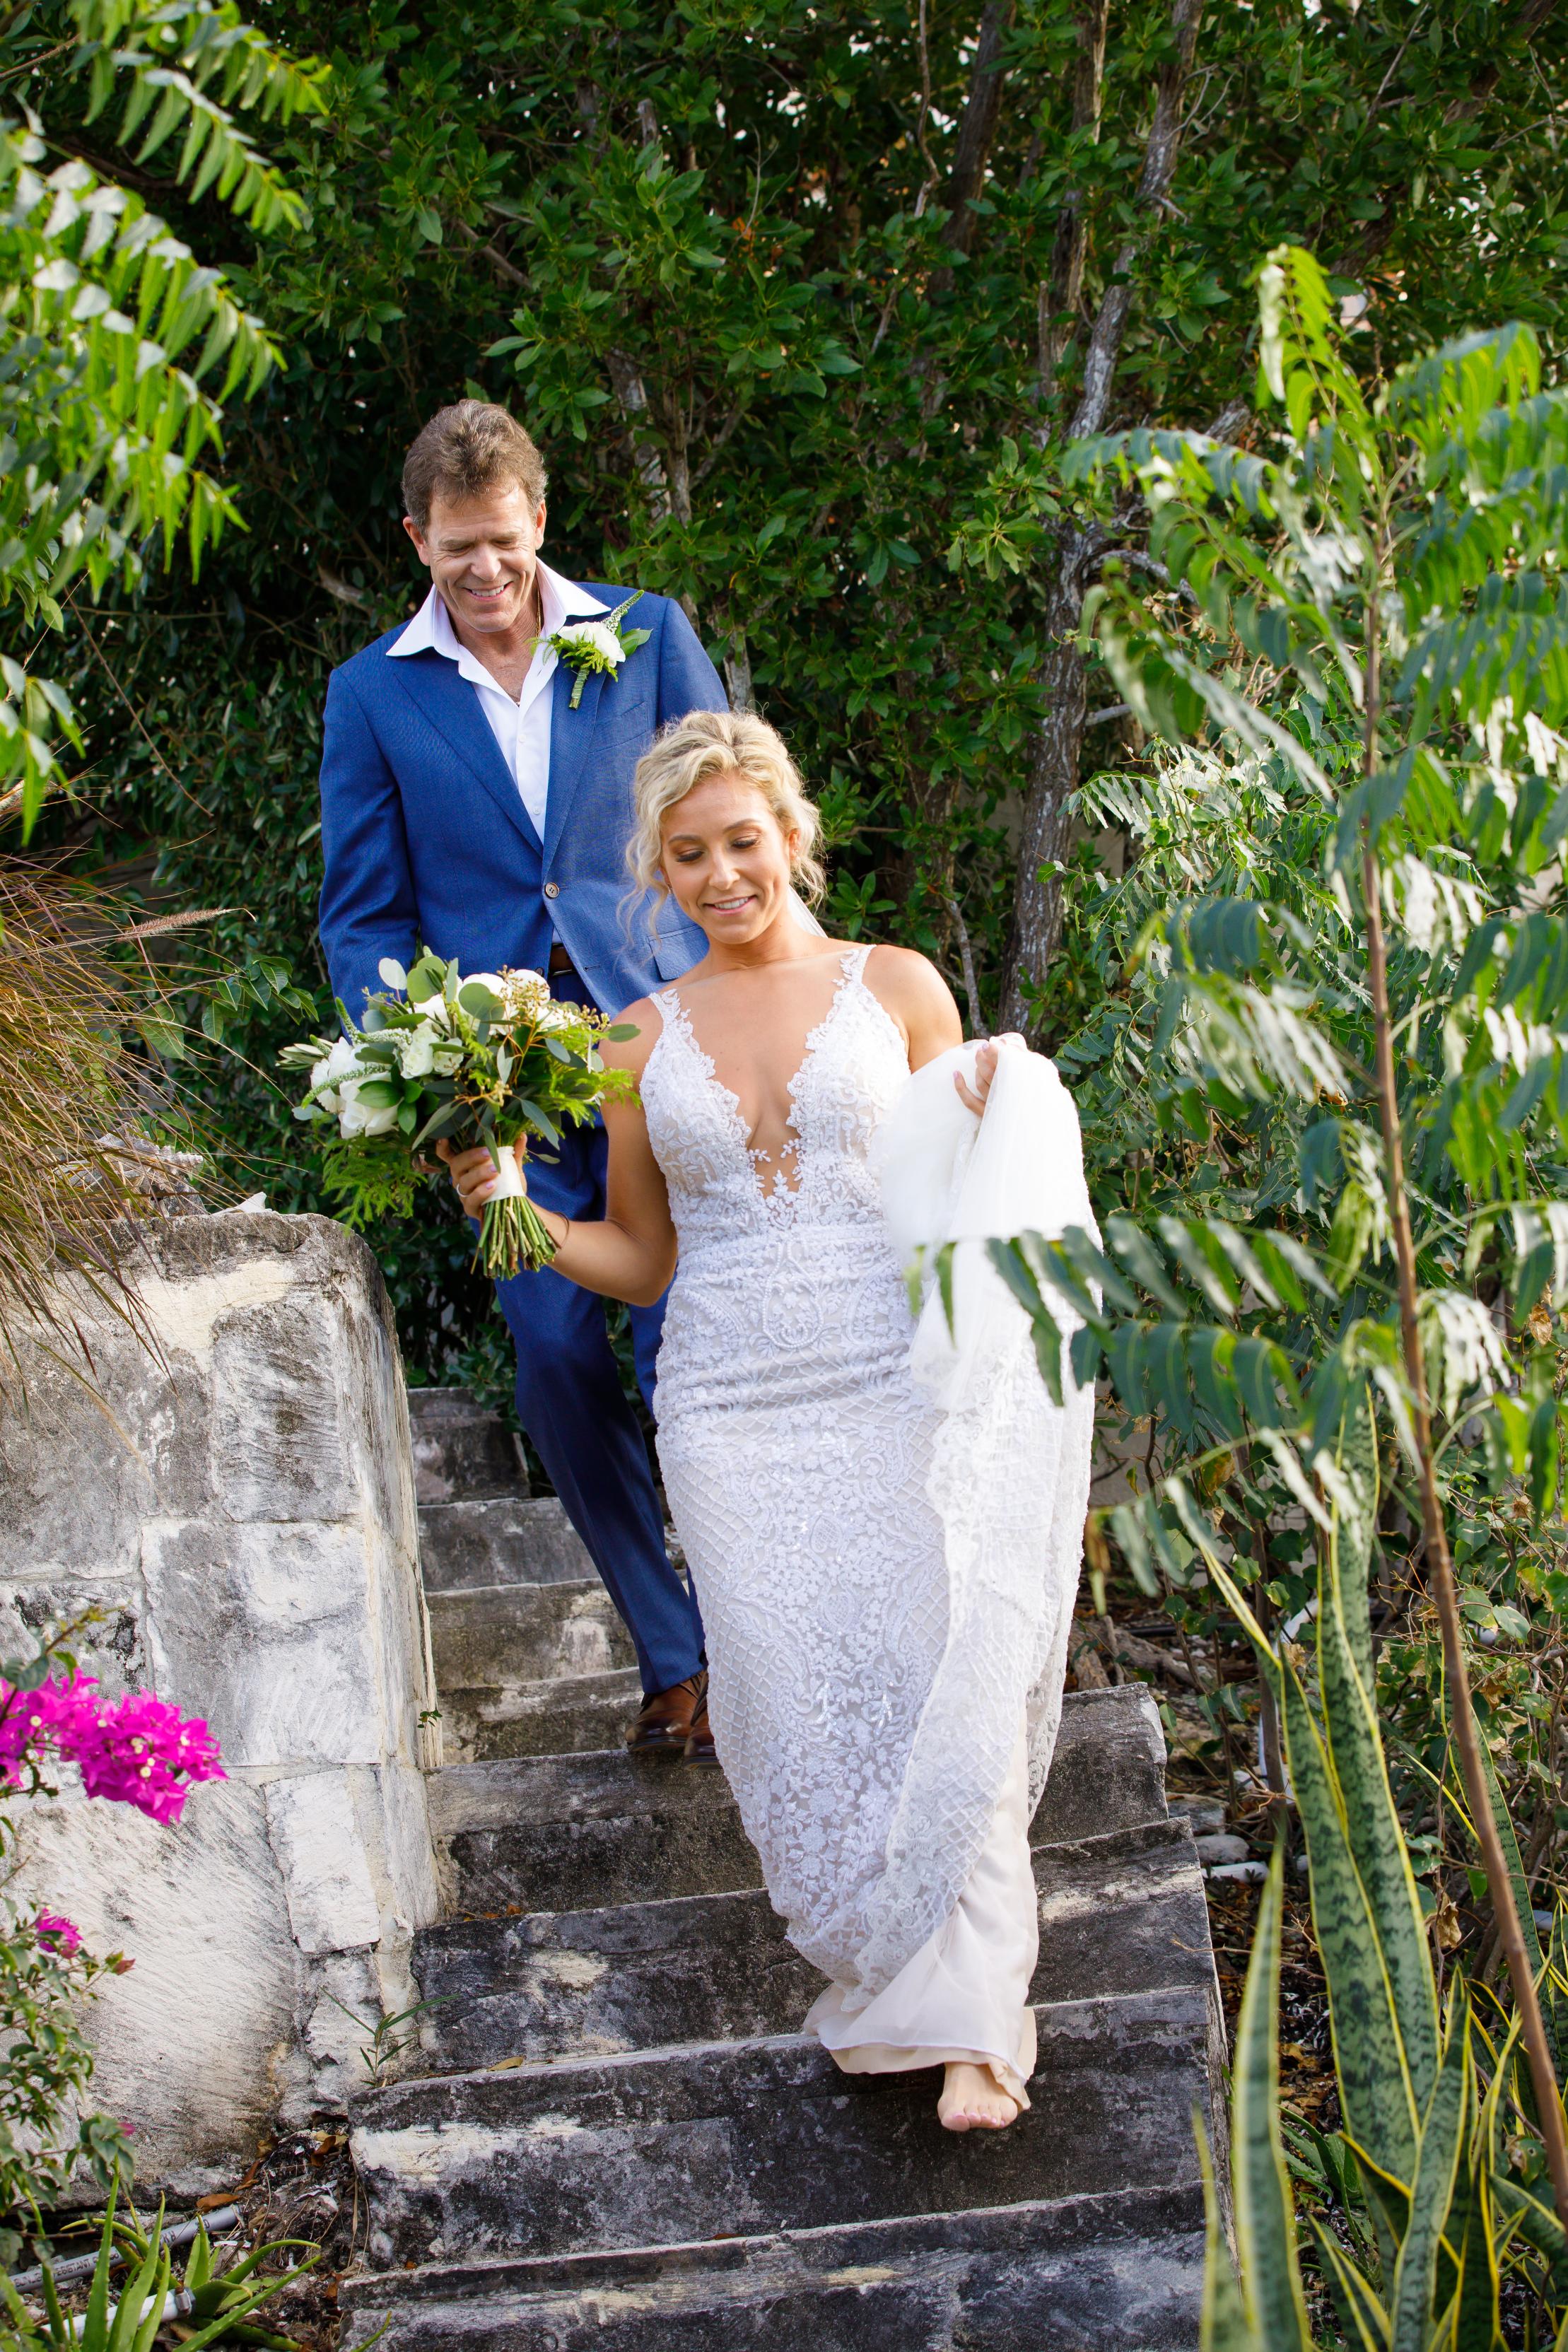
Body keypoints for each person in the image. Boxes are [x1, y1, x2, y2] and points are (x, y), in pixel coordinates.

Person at [443, 708, 1095, 2133]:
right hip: (727, 1404)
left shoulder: (896, 983)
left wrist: (1001, 1098)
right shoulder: (629, 1037)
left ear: (793, 835)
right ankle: (879, 1980)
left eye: (743, 839)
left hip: (886, 1378)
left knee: (934, 1677)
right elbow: (643, 1258)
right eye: (688, 854)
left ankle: (981, 2021)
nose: (721, 870)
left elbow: (963, 1197)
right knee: (790, 1700)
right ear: (659, 874)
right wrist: (510, 1211)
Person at [317, 400, 726, 1758]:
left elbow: (728, 808)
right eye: (452, 555)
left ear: (538, 520)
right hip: (503, 1087)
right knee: (554, 1361)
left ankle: (745, 1634)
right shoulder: (374, 692)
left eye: (498, 543)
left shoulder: (649, 634)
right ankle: (673, 1656)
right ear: (414, 541)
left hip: (666, 1046)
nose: (481, 575)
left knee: (696, 1352)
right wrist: (420, 1084)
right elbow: (363, 914)